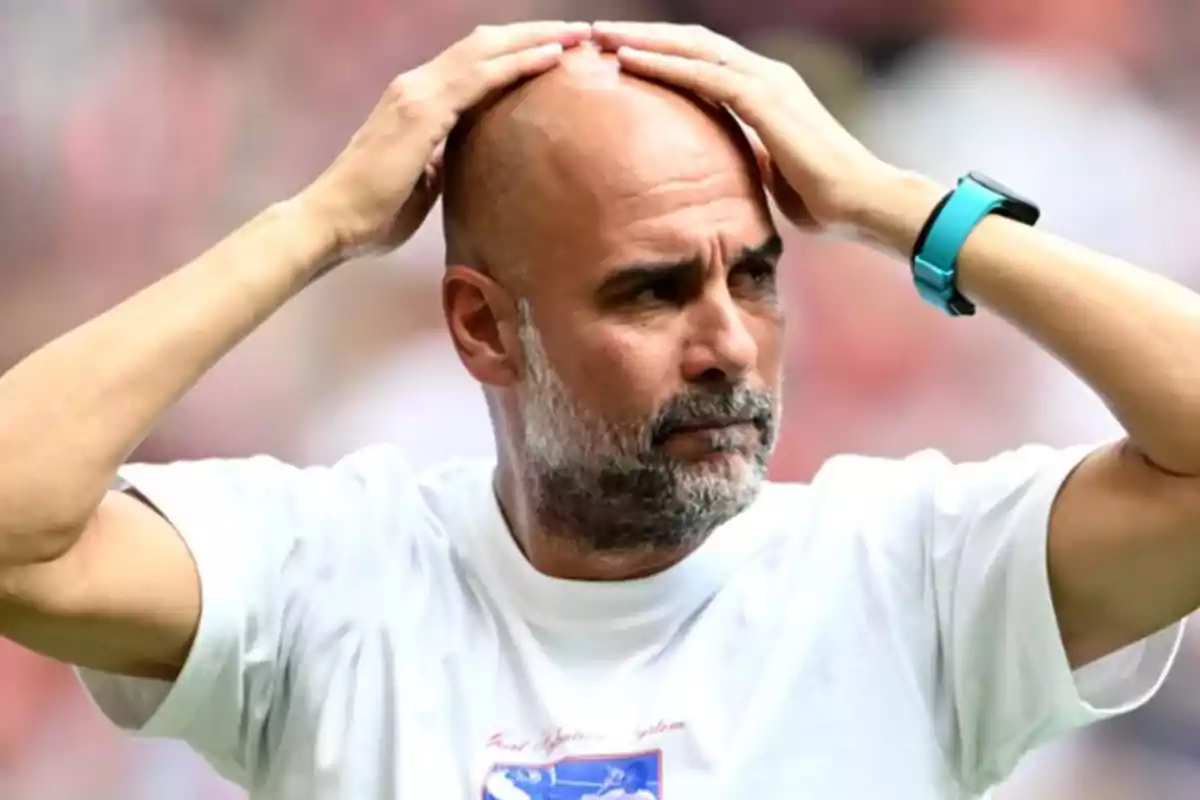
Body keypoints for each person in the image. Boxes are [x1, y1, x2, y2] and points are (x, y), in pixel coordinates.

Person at [0, 19, 1197, 800]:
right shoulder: (320, 574)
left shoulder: (918, 569)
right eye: (653, 291)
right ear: (480, 326)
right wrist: (316, 228)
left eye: (756, 274)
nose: (729, 342)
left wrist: (898, 209)